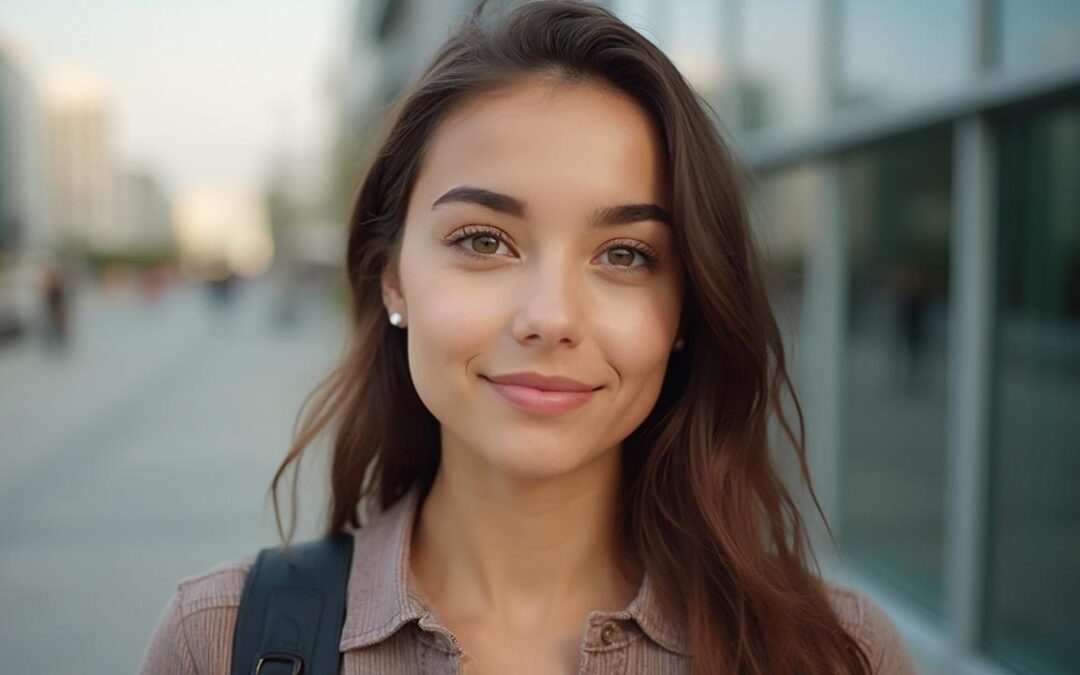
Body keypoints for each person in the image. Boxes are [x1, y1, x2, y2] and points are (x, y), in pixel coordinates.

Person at [138, 2, 919, 673]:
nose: (551, 315)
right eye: (484, 240)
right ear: (393, 278)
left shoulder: (834, 652)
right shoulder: (219, 641)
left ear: (687, 310)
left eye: (625, 255)